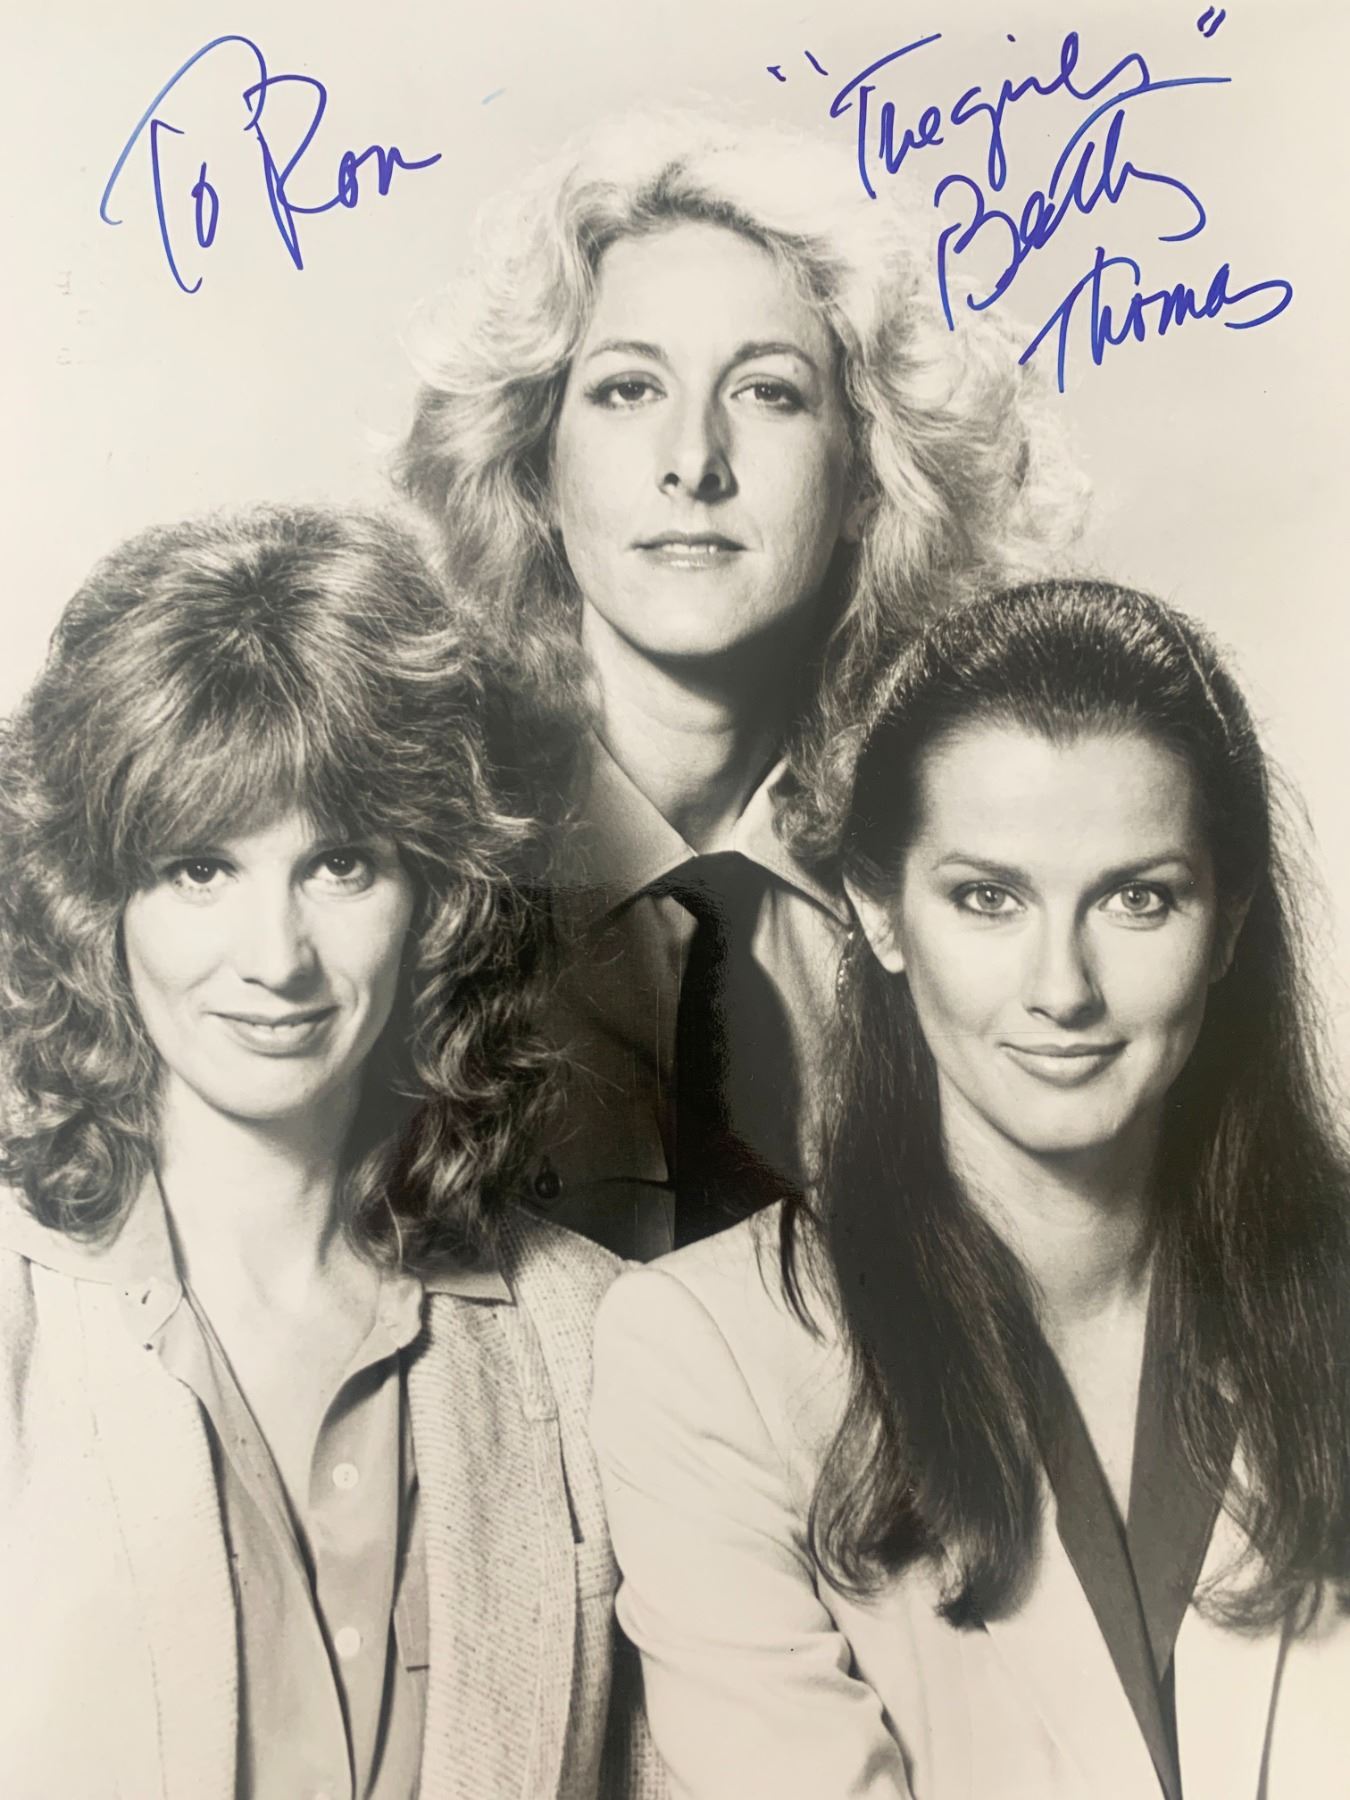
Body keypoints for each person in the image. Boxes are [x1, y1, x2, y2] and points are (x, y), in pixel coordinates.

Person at [590, 579, 1350, 1798]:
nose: (1063, 988)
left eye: (1138, 898)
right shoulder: (705, 1353)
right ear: (881, 912)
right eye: (988, 898)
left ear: (1227, 920)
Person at [0, 506, 658, 1800]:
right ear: (96, 903)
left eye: (341, 865)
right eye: (200, 870)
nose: (277, 959)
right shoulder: (19, 1318)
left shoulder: (590, 1335)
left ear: (435, 898)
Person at [397, 113, 1087, 1259]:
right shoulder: (404, 872)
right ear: (535, 467)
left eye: (768, 392)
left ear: (869, 480)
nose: (693, 462)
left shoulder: (965, 888)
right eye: (628, 389)